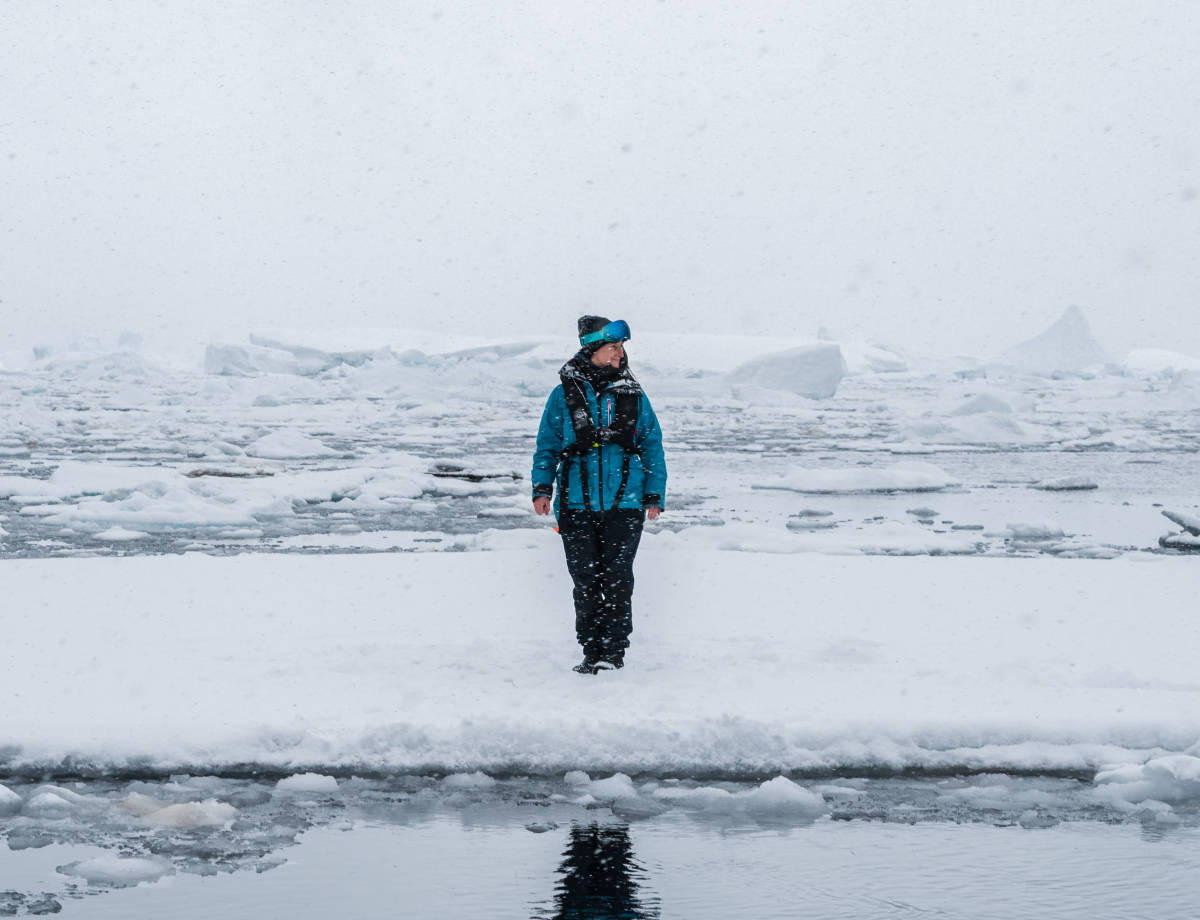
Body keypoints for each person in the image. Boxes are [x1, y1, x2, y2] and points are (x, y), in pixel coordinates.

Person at [531, 316, 667, 674]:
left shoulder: (633, 394)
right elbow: (547, 447)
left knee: (618, 576)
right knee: (586, 579)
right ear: (593, 350)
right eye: (614, 348)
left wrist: (654, 494)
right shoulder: (562, 397)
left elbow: (651, 444)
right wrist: (542, 488)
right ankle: (590, 650)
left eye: (621, 348)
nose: (620, 354)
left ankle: (613, 652)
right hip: (575, 504)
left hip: (626, 504)